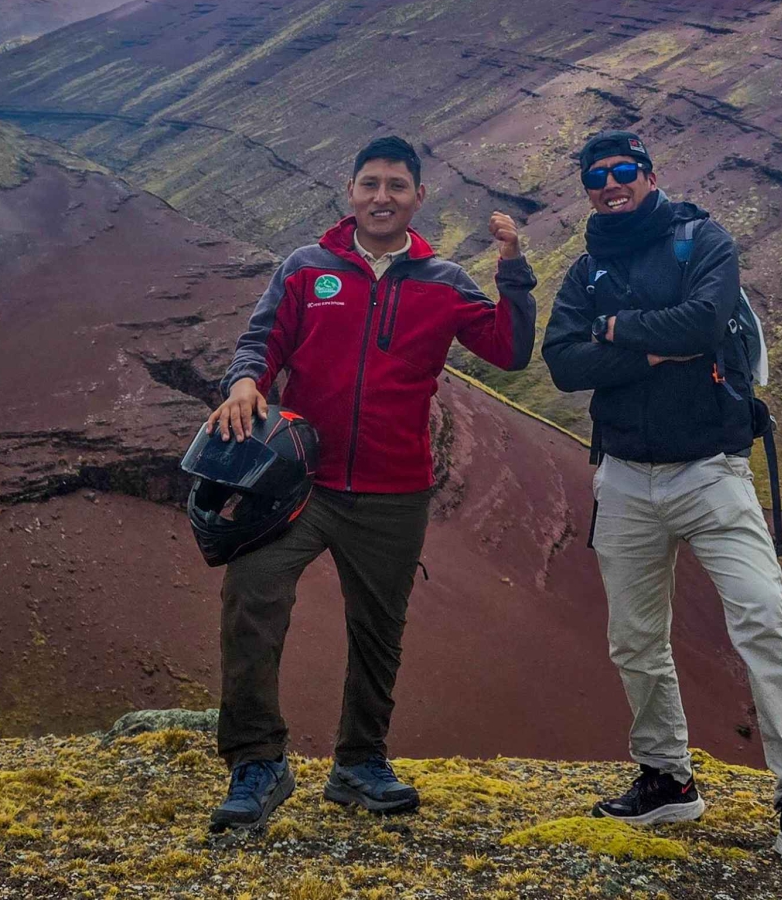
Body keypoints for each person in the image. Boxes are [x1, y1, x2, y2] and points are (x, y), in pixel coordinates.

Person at [203, 136, 536, 831]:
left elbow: (507, 349)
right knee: (252, 594)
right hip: (300, 484)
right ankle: (257, 761)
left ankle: (359, 762)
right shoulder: (307, 268)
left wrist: (513, 269)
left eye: (396, 185)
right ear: (350, 192)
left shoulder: (443, 279)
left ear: (417, 198)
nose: (381, 196)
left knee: (379, 629)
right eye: (370, 184)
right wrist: (242, 384)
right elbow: (262, 341)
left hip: (393, 489)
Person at [541, 131, 782, 876]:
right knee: (635, 637)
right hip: (624, 477)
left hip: (710, 469)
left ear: (649, 175)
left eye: (622, 172)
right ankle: (665, 777)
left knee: (763, 617)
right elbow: (561, 359)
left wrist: (613, 333)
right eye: (596, 177)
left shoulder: (702, 239)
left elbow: (706, 322)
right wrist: (644, 345)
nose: (610, 185)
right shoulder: (588, 267)